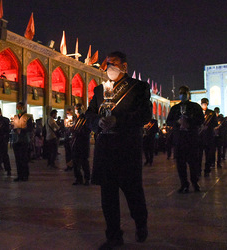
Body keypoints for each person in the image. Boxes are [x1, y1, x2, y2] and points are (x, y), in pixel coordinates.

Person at [86, 51, 151, 248]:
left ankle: (141, 224)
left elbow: (144, 115)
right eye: (107, 64)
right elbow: (89, 115)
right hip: (105, 149)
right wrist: (98, 122)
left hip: (127, 148)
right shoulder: (99, 91)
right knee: (108, 197)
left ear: (124, 66)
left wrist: (117, 121)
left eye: (112, 63)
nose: (108, 68)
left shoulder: (138, 88)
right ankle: (113, 235)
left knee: (133, 193)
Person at [166, 85, 204, 193]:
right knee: (180, 164)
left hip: (191, 139)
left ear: (188, 94)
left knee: (193, 163)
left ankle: (195, 182)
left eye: (185, 93)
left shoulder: (195, 107)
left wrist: (189, 121)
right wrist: (177, 122)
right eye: (181, 93)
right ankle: (184, 184)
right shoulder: (175, 108)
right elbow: (169, 121)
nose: (183, 95)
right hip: (179, 140)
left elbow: (201, 120)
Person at [11, 102, 33, 181]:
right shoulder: (15, 117)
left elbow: (30, 129)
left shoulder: (27, 117)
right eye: (17, 107)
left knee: (24, 158)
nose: (18, 109)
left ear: (23, 108)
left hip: (24, 140)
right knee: (17, 159)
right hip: (16, 140)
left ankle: (25, 175)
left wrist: (22, 131)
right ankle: (19, 175)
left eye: (20, 107)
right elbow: (13, 126)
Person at [71, 103, 91, 186]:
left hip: (83, 143)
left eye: (79, 109)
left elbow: (87, 131)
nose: (77, 110)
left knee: (84, 162)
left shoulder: (86, 119)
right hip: (76, 143)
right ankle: (78, 178)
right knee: (75, 162)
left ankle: (87, 178)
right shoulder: (77, 119)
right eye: (76, 109)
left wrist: (79, 132)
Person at [198, 98, 217, 177]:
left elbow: (215, 123)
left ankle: (207, 170)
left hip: (209, 136)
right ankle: (198, 170)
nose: (204, 105)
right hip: (200, 137)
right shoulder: (198, 112)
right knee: (199, 155)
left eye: (205, 104)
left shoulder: (211, 113)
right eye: (202, 104)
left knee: (208, 154)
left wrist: (208, 127)